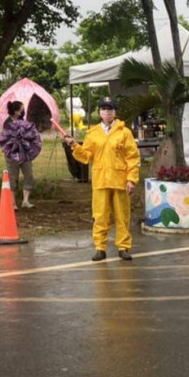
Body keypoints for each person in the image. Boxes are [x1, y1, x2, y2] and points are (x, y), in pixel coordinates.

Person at [64, 97, 140, 261]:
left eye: (110, 109)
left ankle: (123, 247)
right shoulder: (92, 133)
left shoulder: (124, 132)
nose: (107, 112)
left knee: (122, 216)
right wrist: (74, 145)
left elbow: (132, 157)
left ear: (115, 112)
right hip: (101, 181)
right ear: (99, 112)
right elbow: (86, 156)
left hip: (120, 181)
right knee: (100, 216)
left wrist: (131, 179)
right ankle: (100, 248)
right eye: (104, 109)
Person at [0, 100, 42, 209]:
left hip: (25, 154)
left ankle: (25, 201)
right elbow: (6, 139)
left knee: (29, 175)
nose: (23, 111)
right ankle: (13, 203)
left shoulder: (24, 122)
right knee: (12, 178)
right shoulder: (7, 123)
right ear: (17, 111)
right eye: (22, 109)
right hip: (12, 155)